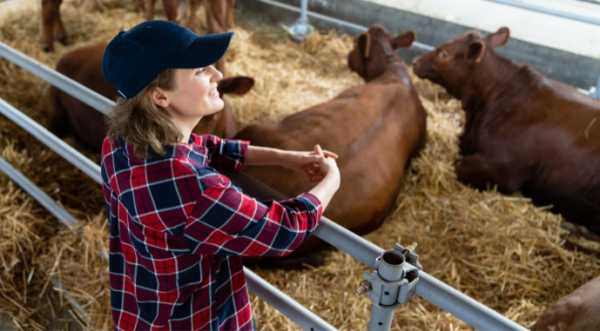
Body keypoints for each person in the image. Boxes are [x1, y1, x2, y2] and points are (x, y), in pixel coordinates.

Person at [99, 20, 340, 331]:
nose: (218, 75)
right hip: (195, 321)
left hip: (141, 309)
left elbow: (208, 146)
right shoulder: (194, 187)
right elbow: (283, 229)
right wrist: (332, 179)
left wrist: (285, 158)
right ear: (160, 97)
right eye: (199, 71)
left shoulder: (119, 143)